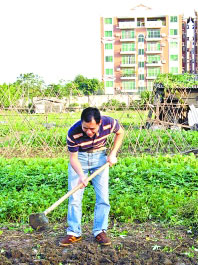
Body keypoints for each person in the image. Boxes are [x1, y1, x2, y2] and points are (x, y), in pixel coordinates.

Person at [59, 107, 124, 247]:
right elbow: (73, 158)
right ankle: (74, 232)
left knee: (103, 197)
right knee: (75, 197)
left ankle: (100, 231)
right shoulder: (73, 132)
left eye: (92, 129)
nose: (88, 132)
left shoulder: (109, 123)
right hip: (80, 159)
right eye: (85, 128)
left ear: (100, 123)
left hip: (100, 157)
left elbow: (120, 132)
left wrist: (113, 154)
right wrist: (82, 175)